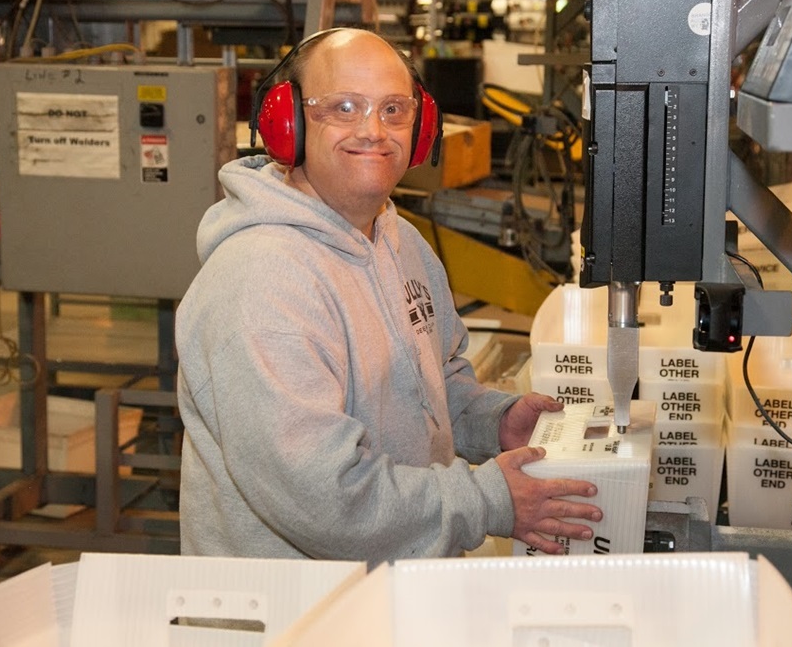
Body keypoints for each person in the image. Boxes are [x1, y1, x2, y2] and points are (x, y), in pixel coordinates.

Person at [175, 28, 601, 568]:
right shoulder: (262, 281)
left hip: (389, 590)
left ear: (421, 131)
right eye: (343, 108)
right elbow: (324, 500)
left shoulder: (401, 242)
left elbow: (431, 382)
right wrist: (488, 500)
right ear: (287, 124)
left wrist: (492, 421)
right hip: (296, 618)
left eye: (394, 110)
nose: (373, 131)